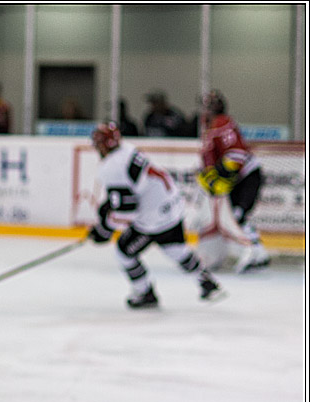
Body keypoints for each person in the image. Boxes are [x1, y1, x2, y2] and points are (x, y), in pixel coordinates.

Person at [88, 121, 223, 309]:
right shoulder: (127, 149)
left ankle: (144, 293)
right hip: (173, 205)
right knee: (176, 249)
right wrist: (110, 207)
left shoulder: (111, 167)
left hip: (153, 218)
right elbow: (130, 190)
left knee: (124, 252)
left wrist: (105, 229)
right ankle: (207, 283)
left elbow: (127, 211)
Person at [197, 89, 269, 272]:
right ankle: (256, 254)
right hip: (238, 179)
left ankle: (256, 254)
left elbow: (237, 155)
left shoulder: (222, 123)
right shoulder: (211, 126)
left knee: (237, 215)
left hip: (246, 178)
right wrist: (211, 176)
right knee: (235, 216)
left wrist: (222, 175)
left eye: (207, 107)